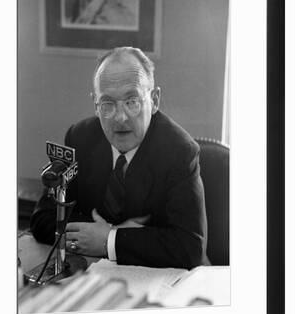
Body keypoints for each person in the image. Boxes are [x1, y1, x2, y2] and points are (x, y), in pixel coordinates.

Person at [30, 46, 209, 269]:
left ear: (154, 100)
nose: (120, 117)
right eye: (107, 104)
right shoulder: (80, 137)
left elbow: (189, 248)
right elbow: (43, 217)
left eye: (132, 101)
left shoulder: (179, 151)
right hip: (96, 274)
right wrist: (94, 236)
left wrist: (109, 239)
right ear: (95, 104)